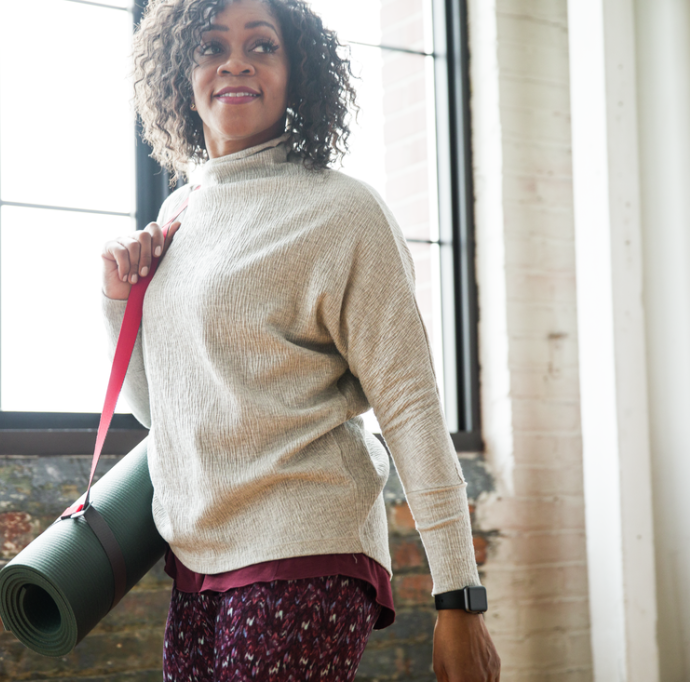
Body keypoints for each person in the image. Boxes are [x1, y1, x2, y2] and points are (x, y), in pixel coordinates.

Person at [100, 0, 500, 679]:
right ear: (178, 71)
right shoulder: (179, 214)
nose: (236, 61)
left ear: (298, 72)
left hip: (304, 550)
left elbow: (409, 404)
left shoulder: (343, 210)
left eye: (263, 45)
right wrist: (119, 302)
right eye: (211, 45)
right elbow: (157, 410)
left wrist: (459, 599)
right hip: (198, 566)